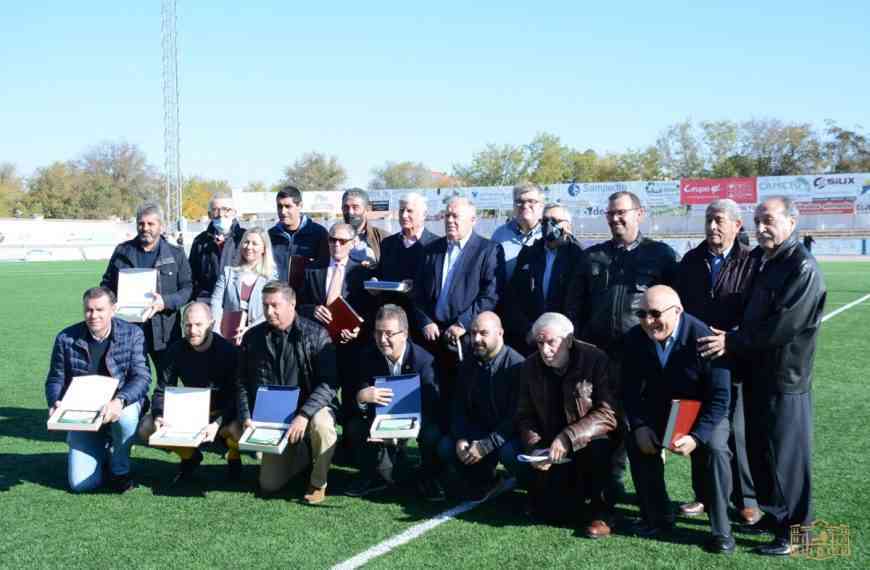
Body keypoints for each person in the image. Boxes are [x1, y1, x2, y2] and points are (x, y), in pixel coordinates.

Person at [698, 196, 826, 556]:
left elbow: (780, 327)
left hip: (786, 380)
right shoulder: (767, 261)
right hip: (758, 374)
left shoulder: (802, 267)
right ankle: (777, 516)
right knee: (763, 452)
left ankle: (800, 532)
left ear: (791, 222)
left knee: (788, 457)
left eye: (768, 220)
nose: (761, 228)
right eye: (757, 221)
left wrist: (732, 341)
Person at [564, 190, 678, 504]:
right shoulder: (593, 257)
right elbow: (574, 307)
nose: (616, 218)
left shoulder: (661, 256)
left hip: (642, 360)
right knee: (601, 432)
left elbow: (676, 310)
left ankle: (654, 508)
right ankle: (604, 502)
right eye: (610, 213)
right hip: (598, 359)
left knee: (642, 431)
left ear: (639, 214)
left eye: (622, 212)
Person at [622, 286, 733, 553]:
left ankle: (721, 531)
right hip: (661, 410)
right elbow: (628, 388)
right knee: (636, 441)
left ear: (678, 311)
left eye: (656, 313)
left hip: (703, 412)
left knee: (716, 450)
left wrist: (697, 437)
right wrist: (639, 425)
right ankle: (657, 516)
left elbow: (720, 398)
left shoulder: (703, 337)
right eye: (642, 314)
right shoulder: (635, 338)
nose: (649, 321)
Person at [673, 199, 761, 526]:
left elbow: (757, 311)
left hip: (735, 357)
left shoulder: (753, 262)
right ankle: (704, 495)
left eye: (719, 220)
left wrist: (733, 338)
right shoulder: (691, 261)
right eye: (709, 219)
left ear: (737, 226)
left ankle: (745, 499)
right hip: (697, 360)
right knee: (699, 428)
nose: (712, 226)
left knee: (736, 432)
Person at [514, 312, 617, 537]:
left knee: (600, 446)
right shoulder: (530, 366)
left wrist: (568, 437)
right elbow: (525, 414)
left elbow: (608, 413)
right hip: (551, 445)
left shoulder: (596, 359)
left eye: (551, 342)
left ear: (569, 340)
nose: (544, 350)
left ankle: (603, 512)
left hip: (587, 440)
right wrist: (535, 447)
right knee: (555, 514)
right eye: (540, 343)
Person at [236, 280, 339, 504]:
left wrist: (304, 415)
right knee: (269, 485)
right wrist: (245, 416)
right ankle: (302, 454)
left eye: (275, 305)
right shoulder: (252, 338)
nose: (269, 311)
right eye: (265, 306)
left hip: (311, 411)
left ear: (292, 304)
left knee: (323, 425)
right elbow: (242, 381)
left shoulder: (317, 335)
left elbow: (329, 383)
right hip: (274, 419)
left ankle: (318, 482)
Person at [45, 287, 151, 493]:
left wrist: (120, 400)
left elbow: (142, 376)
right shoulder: (65, 338)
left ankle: (120, 469)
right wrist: (55, 401)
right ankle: (103, 447)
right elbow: (55, 379)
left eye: (100, 310)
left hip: (119, 405)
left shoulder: (133, 334)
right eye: (89, 310)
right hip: (82, 411)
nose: (94, 315)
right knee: (81, 485)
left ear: (113, 309)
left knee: (127, 418)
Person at [344, 305, 443, 500]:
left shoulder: (424, 361)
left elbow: (432, 406)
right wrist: (362, 398)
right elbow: (357, 401)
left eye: (389, 333)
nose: (382, 340)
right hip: (381, 421)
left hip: (417, 420)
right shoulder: (367, 356)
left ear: (404, 334)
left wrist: (400, 434)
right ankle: (369, 475)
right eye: (378, 333)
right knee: (355, 427)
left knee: (433, 433)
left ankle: (430, 478)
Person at [137, 303, 242, 483]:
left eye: (199, 325)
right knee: (147, 427)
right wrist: (158, 415)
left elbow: (238, 396)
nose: (192, 330)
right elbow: (161, 390)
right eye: (188, 325)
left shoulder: (229, 352)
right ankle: (190, 456)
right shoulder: (175, 350)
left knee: (237, 430)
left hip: (223, 416)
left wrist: (217, 423)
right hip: (191, 414)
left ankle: (233, 456)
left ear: (211, 323)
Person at [412, 196, 499, 411]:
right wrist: (425, 321)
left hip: (466, 340)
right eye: (447, 215)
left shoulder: (488, 250)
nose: (450, 220)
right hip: (432, 338)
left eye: (455, 216)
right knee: (433, 398)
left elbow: (490, 294)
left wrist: (463, 324)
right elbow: (418, 292)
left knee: (464, 400)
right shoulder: (431, 249)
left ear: (473, 219)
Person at [100, 202, 193, 381]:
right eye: (141, 224)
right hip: (129, 327)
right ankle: (137, 409)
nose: (145, 228)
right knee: (131, 378)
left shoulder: (176, 254)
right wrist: (111, 302)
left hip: (165, 329)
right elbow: (107, 284)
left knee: (167, 378)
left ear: (161, 226)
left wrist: (165, 302)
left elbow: (188, 288)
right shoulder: (122, 251)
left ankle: (162, 409)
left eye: (151, 224)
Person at [438, 312, 524, 500]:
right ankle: (487, 479)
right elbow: (458, 406)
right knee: (446, 446)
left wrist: (487, 445)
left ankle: (528, 486)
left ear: (500, 333)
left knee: (510, 453)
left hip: (507, 435)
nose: (476, 339)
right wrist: (461, 438)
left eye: (484, 333)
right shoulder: (468, 362)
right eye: (473, 333)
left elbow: (515, 418)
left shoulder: (517, 366)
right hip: (477, 431)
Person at [297, 223, 371, 421]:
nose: (336, 245)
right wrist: (312, 310)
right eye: (332, 240)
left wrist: (358, 330)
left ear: (353, 243)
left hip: (351, 347)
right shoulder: (313, 268)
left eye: (342, 241)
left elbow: (369, 310)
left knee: (351, 405)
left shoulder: (362, 272)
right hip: (317, 346)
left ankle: (348, 445)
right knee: (317, 398)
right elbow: (297, 304)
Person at [504, 203, 583, 355]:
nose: (548, 226)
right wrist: (528, 330)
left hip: (562, 341)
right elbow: (513, 296)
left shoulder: (579, 257)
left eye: (554, 221)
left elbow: (578, 304)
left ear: (568, 225)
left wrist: (563, 334)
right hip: (530, 339)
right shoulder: (529, 254)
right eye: (545, 221)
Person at [370, 192, 439, 324]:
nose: (404, 215)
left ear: (423, 215)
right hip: (390, 318)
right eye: (401, 210)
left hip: (422, 320)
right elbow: (381, 273)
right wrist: (375, 282)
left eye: (410, 211)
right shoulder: (387, 243)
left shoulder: (436, 245)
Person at [211, 227, 277, 345]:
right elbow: (216, 302)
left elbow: (272, 308)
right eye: (246, 242)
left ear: (264, 249)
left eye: (254, 243)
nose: (249, 247)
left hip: (260, 337)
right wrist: (217, 331)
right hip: (228, 337)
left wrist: (250, 330)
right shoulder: (228, 272)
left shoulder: (271, 277)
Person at [189, 192, 245, 302]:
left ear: (234, 212)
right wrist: (198, 294)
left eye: (226, 209)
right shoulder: (200, 241)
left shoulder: (245, 238)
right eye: (215, 210)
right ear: (209, 214)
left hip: (237, 302)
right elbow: (191, 275)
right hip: (208, 302)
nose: (220, 214)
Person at [268, 185, 330, 283]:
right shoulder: (270, 235)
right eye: (279, 206)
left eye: (288, 206)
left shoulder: (319, 234)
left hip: (307, 297)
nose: (283, 211)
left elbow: (326, 270)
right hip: (279, 296)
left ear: (300, 206)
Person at [491, 182, 544, 282]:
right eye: (519, 201)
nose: (525, 205)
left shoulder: (547, 236)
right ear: (513, 205)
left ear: (541, 205)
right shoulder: (499, 235)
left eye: (531, 201)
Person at [342, 187, 387, 266]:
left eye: (355, 207)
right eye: (346, 207)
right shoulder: (332, 239)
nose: (350, 212)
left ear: (367, 209)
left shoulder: (384, 239)